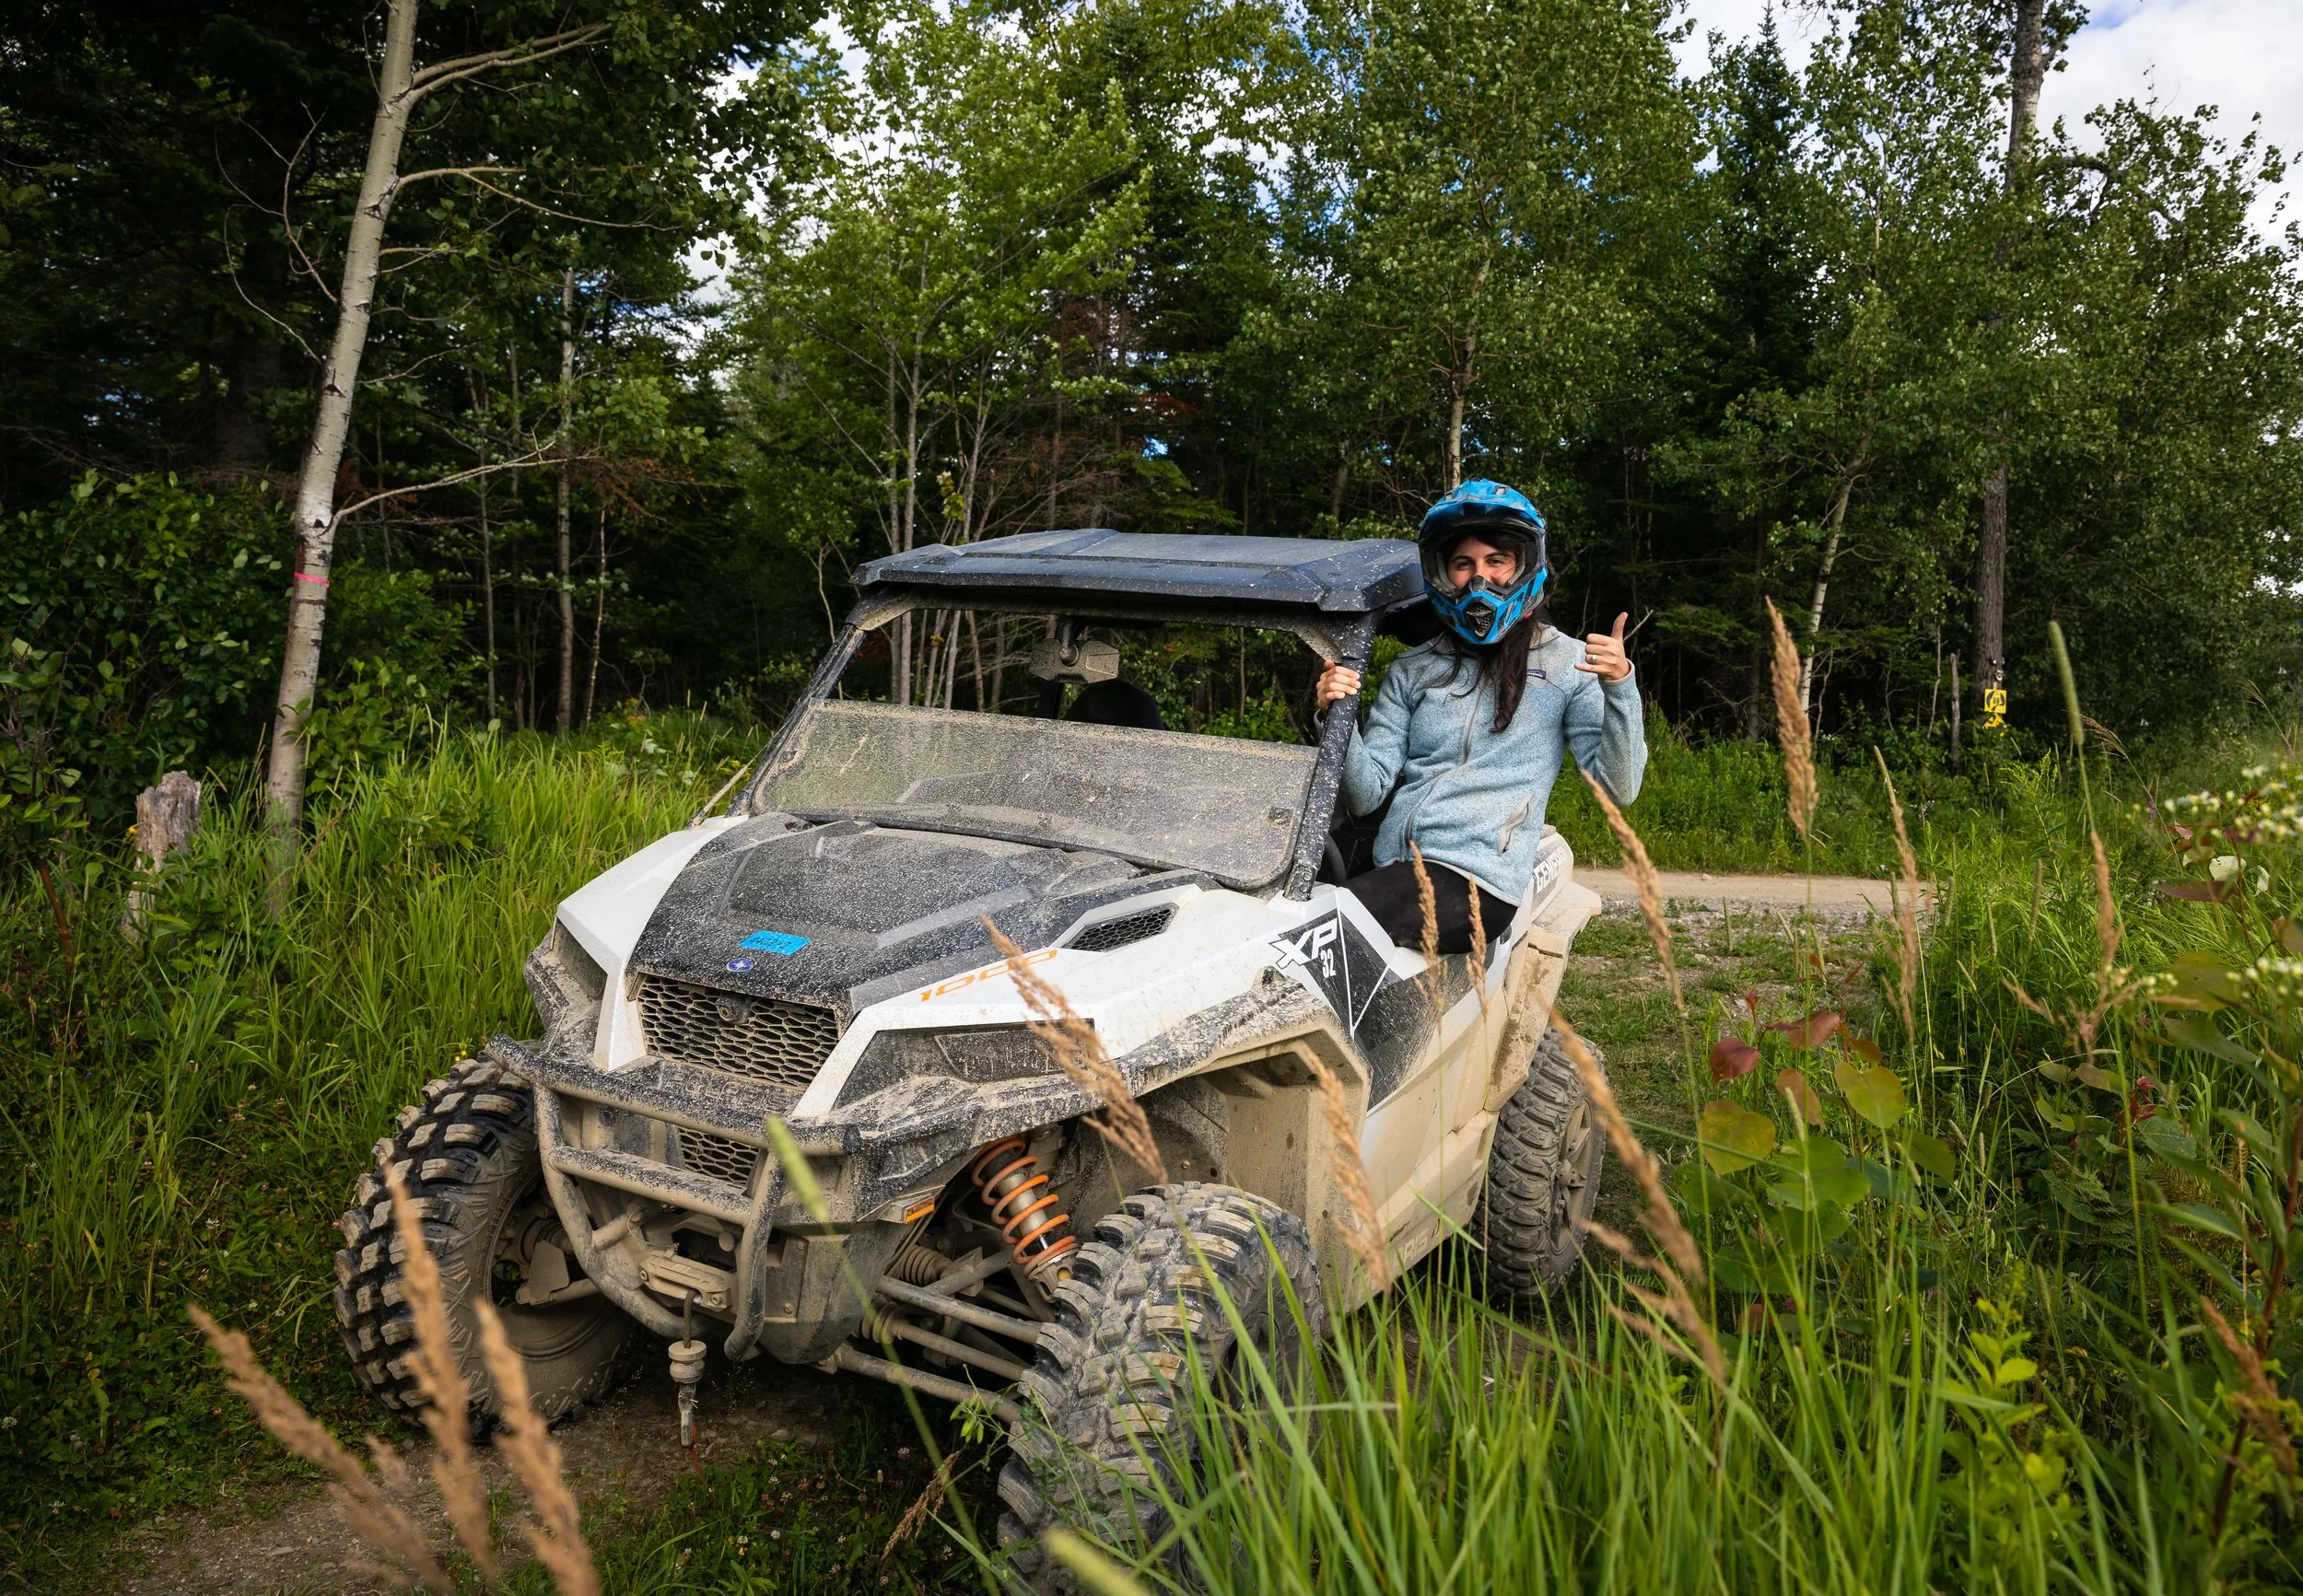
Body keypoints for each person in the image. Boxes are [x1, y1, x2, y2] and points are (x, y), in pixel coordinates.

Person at [1315, 480, 1646, 954]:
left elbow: (1621, 787)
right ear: (1444, 574)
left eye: (1496, 561)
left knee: (1323, 932)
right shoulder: (1414, 668)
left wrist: (1620, 684)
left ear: (1523, 566)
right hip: (1396, 867)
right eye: (1463, 564)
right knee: (1288, 916)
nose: (1480, 580)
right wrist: (1338, 714)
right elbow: (1366, 796)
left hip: (1479, 882)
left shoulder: (1570, 667)